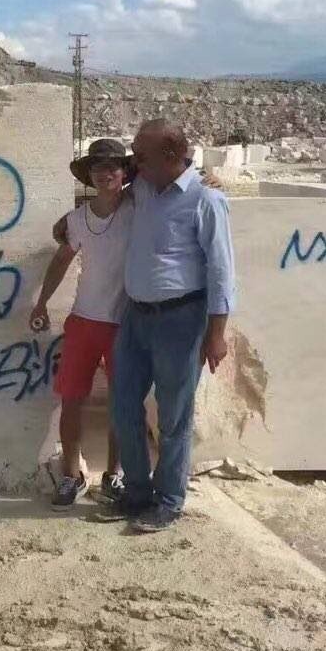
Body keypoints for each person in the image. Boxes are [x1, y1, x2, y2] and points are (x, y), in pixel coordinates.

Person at [100, 120, 235, 533]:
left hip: (181, 320)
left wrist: (216, 333)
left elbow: (221, 270)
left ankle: (169, 499)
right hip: (136, 317)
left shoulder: (205, 199)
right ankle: (137, 492)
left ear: (171, 156)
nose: (134, 161)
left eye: (141, 155)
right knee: (123, 405)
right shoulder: (142, 186)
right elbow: (107, 181)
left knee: (174, 415)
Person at [29, 139, 133, 508]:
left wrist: (208, 181)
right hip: (84, 321)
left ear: (124, 172)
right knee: (72, 399)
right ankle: (71, 475)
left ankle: (114, 474)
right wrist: (41, 302)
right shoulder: (76, 220)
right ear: (89, 176)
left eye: (113, 166)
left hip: (125, 324)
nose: (106, 173)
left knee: (122, 403)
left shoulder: (139, 208)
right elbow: (62, 260)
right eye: (98, 167)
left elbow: (169, 187)